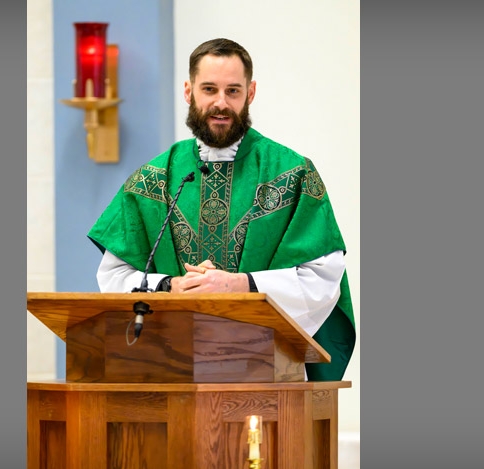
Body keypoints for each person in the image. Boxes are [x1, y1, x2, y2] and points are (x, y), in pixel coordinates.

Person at [87, 38, 355, 381]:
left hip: (266, 372)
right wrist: (170, 286)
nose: (221, 103)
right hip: (170, 371)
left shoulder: (292, 173)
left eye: (233, 91)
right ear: (188, 91)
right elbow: (114, 277)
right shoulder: (153, 179)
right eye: (209, 89)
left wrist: (241, 285)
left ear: (251, 92)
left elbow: (323, 278)